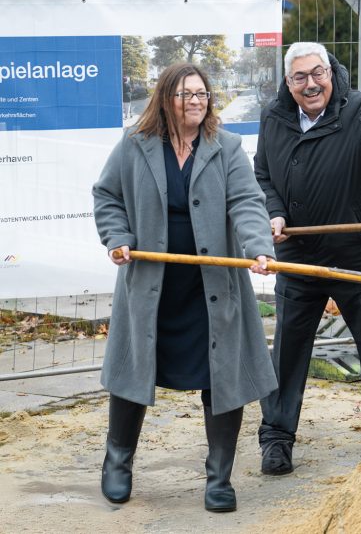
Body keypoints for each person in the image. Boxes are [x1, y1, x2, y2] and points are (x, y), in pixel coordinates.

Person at [92, 62, 277, 513]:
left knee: (223, 375)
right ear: (165, 99)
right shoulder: (135, 145)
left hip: (210, 286)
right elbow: (107, 195)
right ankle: (118, 461)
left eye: (202, 93)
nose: (196, 101)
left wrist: (259, 247)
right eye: (185, 94)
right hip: (152, 285)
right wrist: (117, 238)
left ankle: (219, 478)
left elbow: (248, 202)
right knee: (133, 372)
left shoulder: (226, 147)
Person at [255, 42, 361, 475]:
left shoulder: (358, 108)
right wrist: (274, 211)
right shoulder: (275, 116)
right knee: (287, 351)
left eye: (317, 73)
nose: (310, 84)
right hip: (297, 257)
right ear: (288, 83)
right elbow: (262, 172)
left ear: (330, 71)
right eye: (299, 77)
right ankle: (277, 438)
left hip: (357, 252)